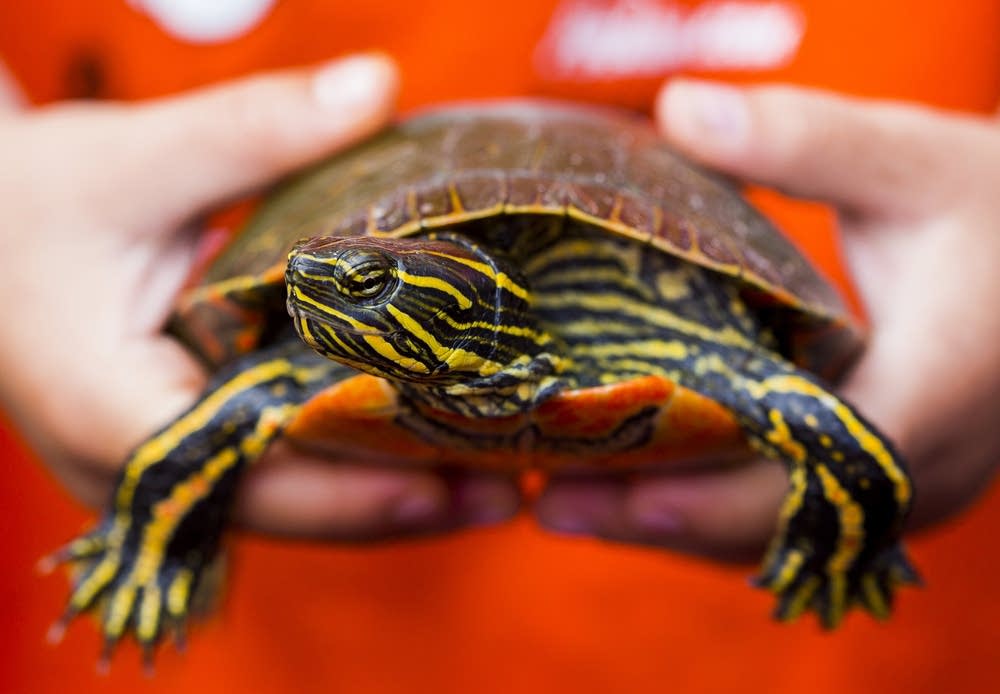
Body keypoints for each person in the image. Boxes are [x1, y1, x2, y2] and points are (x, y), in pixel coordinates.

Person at [1, 1, 999, 692]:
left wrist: (851, 520)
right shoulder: (321, 350)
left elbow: (808, 404)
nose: (311, 287)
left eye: (364, 284)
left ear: (475, 297)